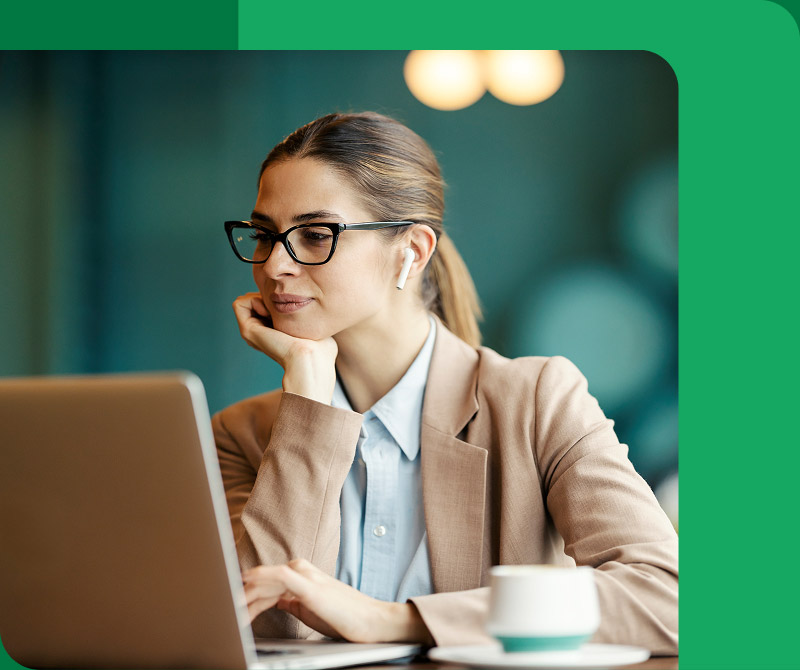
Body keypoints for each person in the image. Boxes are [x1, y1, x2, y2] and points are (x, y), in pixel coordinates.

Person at [212, 111, 678, 653]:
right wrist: (311, 405)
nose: (274, 266)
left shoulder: (535, 401)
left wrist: (397, 620)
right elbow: (265, 623)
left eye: (316, 235)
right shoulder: (242, 433)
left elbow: (666, 596)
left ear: (412, 251)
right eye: (265, 235)